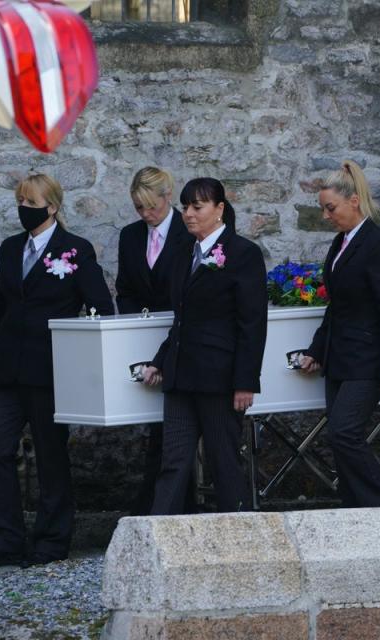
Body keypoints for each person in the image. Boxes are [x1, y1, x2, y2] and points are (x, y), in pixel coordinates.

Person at [0, 173, 114, 568]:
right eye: (19, 200)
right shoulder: (10, 248)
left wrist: (85, 365)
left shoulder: (75, 250)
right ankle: (3, 540)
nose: (23, 208)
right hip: (6, 371)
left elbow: (100, 307)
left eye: (30, 201)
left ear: (51, 206)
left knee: (51, 456)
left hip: (51, 372)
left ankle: (51, 542)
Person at [141, 178, 267, 514]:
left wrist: (245, 381)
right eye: (185, 207)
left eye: (197, 207)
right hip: (181, 375)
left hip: (218, 377)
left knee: (223, 460)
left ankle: (238, 532)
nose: (188, 214)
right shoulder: (184, 254)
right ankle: (160, 534)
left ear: (219, 209)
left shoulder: (243, 253)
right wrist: (160, 360)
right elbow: (181, 319)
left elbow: (252, 324)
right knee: (173, 460)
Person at [299, 160, 380, 508]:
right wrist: (316, 349)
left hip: (367, 359)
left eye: (331, 208)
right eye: (324, 209)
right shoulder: (341, 244)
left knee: (344, 433)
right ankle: (355, 509)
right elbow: (337, 305)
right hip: (339, 357)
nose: (327, 216)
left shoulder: (378, 245)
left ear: (354, 201)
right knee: (339, 436)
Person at [114, 166, 196, 516]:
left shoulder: (187, 233)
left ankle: (169, 506)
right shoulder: (130, 236)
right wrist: (139, 322)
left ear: (167, 198)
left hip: (184, 335)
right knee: (159, 426)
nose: (147, 215)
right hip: (144, 336)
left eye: (152, 207)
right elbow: (125, 288)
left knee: (176, 429)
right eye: (139, 208)